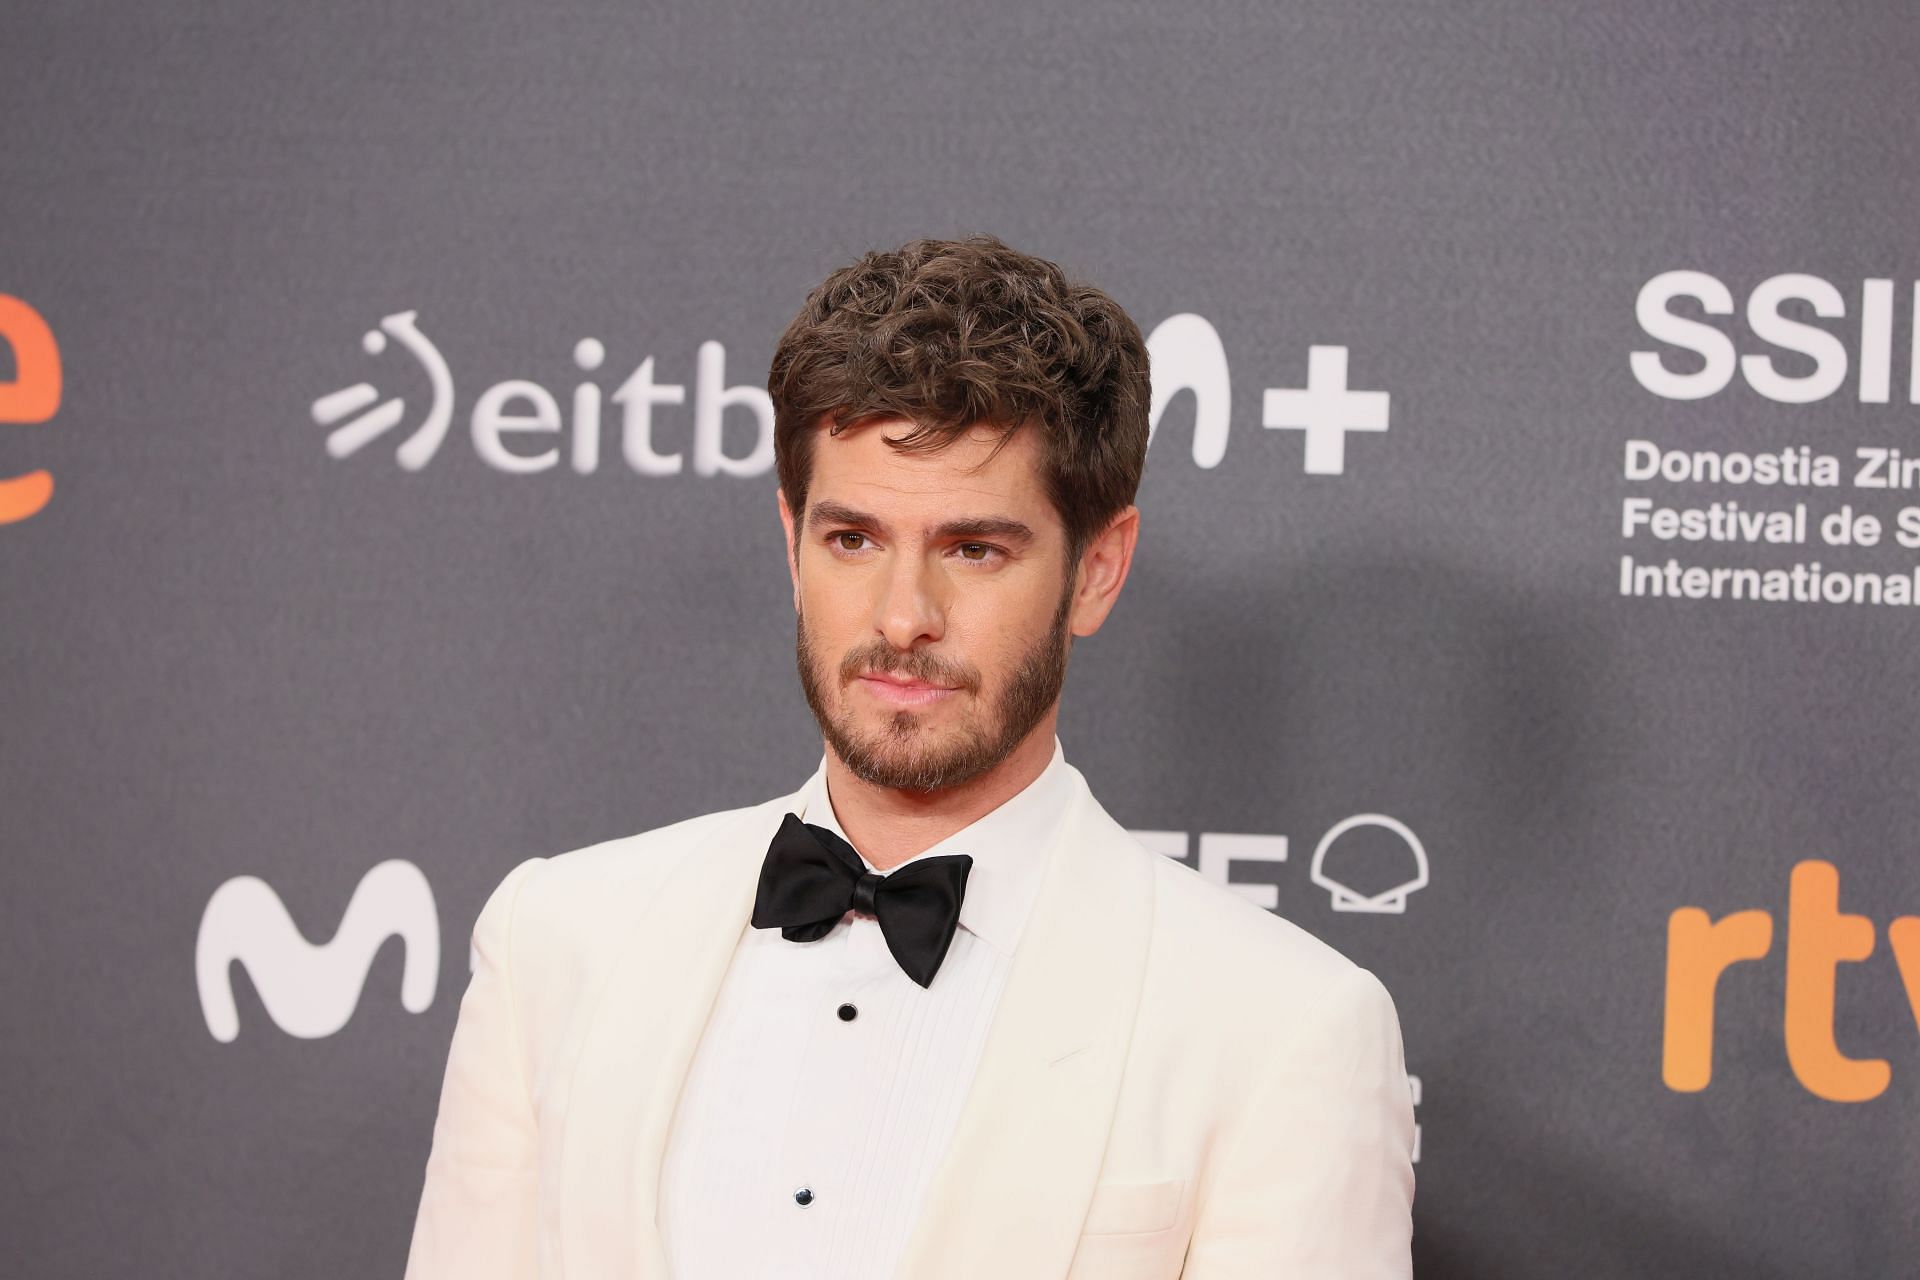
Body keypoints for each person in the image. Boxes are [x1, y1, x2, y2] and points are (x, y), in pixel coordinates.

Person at [403, 235, 1415, 1279]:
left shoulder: (1282, 1028)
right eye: (854, 539)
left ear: (1098, 570)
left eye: (974, 548)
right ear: (792, 540)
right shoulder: (556, 941)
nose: (903, 615)